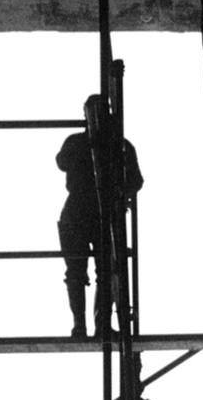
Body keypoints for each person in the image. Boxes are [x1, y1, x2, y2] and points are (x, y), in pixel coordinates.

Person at [55, 94, 142, 340]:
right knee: (80, 271)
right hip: (80, 211)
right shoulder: (83, 143)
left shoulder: (120, 146)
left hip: (98, 212)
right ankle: (82, 326)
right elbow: (61, 161)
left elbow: (135, 181)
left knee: (104, 271)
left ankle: (97, 325)